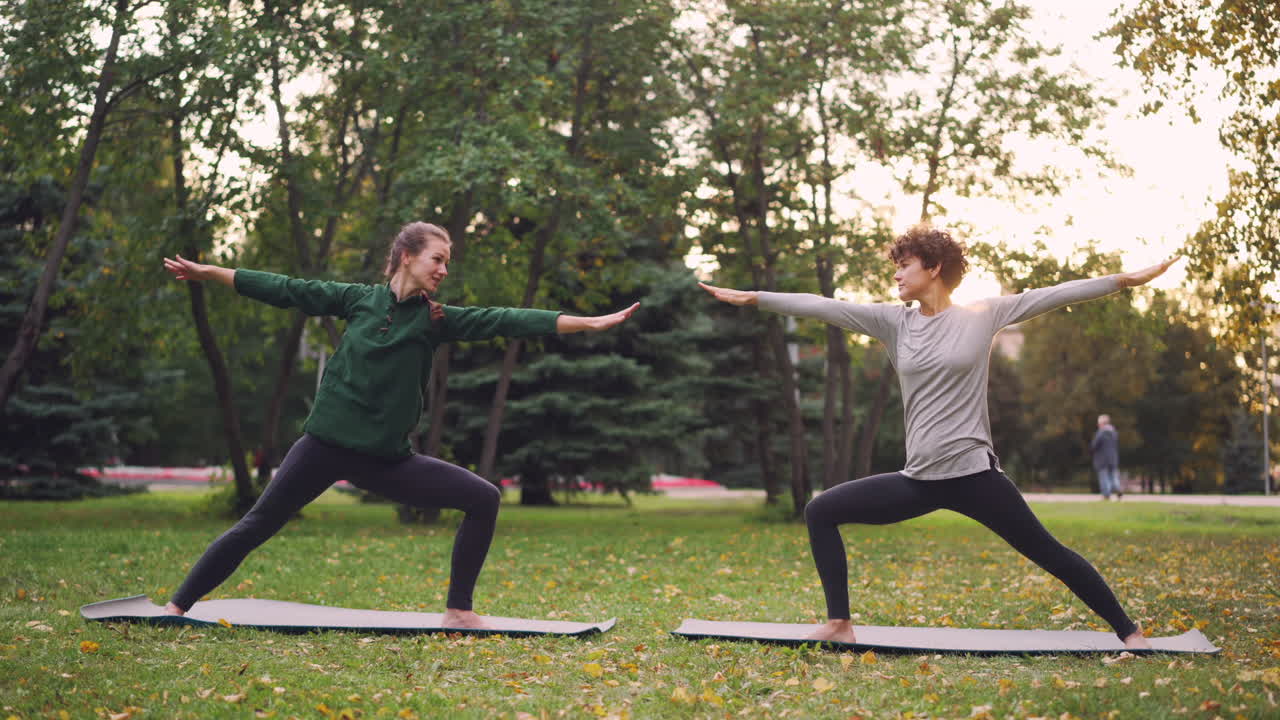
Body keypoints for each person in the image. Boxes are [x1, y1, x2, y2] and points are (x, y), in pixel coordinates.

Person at [700, 225, 1176, 650]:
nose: (896, 275)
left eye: (904, 265)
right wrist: (757, 297)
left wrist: (1122, 281)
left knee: (1048, 552)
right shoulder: (894, 322)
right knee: (820, 511)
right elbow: (824, 306)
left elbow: (1052, 294)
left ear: (933, 266)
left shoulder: (983, 314)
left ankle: (1129, 632)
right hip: (920, 479)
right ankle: (839, 622)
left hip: (974, 476)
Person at [161, 221, 638, 629]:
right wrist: (208, 273)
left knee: (484, 499)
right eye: (438, 259)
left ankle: (459, 611)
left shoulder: (435, 320)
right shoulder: (358, 301)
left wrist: (586, 323)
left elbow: (506, 319)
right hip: (323, 446)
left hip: (385, 460)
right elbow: (286, 288)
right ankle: (177, 605)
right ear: (407, 256)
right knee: (258, 524)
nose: (444, 270)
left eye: (447, 261)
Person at [1091, 414, 1122, 500]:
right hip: (1113, 458)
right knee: (1113, 476)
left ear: (1101, 423)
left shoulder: (1100, 433)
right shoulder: (1114, 433)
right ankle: (1118, 488)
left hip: (1102, 459)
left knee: (1104, 477)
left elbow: (1094, 445)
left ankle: (1106, 494)